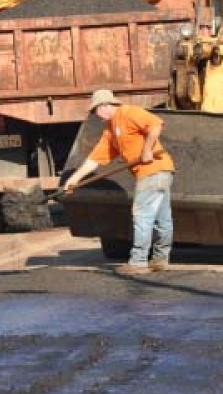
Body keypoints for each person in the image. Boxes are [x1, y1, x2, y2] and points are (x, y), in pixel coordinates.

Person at [63, 89, 175, 275]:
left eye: (95, 110)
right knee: (162, 219)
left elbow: (156, 124)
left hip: (154, 170)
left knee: (142, 216)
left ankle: (138, 262)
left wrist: (147, 150)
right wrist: (74, 179)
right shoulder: (111, 130)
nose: (95, 115)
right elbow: (95, 159)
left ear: (105, 106)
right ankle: (160, 259)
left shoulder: (129, 112)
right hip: (160, 172)